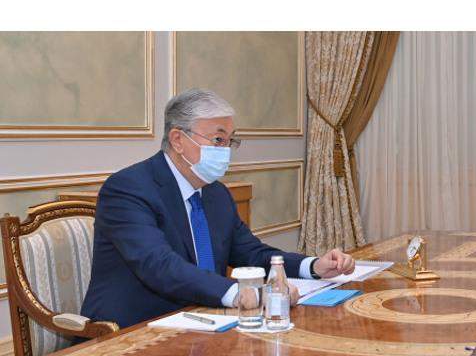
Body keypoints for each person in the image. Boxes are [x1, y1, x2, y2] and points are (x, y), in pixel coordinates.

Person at [80, 88, 355, 329]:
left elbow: (251, 252)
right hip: (132, 331)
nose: (226, 150)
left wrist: (313, 266)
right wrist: (240, 294)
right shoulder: (128, 189)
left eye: (230, 141)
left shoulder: (216, 193)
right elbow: (159, 265)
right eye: (218, 140)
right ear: (177, 140)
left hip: (206, 321)